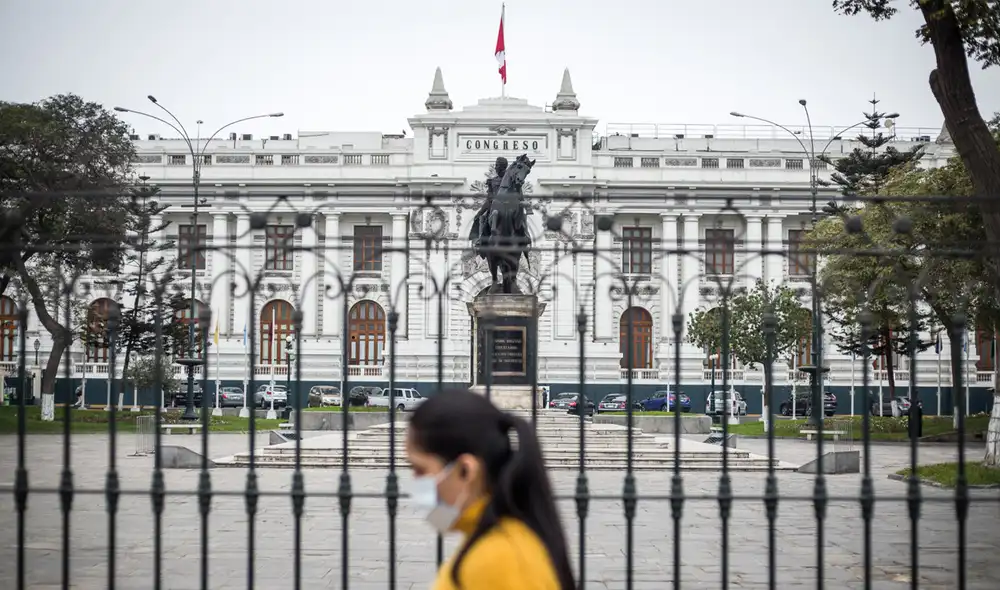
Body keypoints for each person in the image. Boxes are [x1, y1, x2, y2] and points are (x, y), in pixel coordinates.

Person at [406, 389, 575, 590]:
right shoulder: (492, 541)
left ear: (465, 471)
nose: (414, 482)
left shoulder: (498, 561)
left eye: (420, 469)